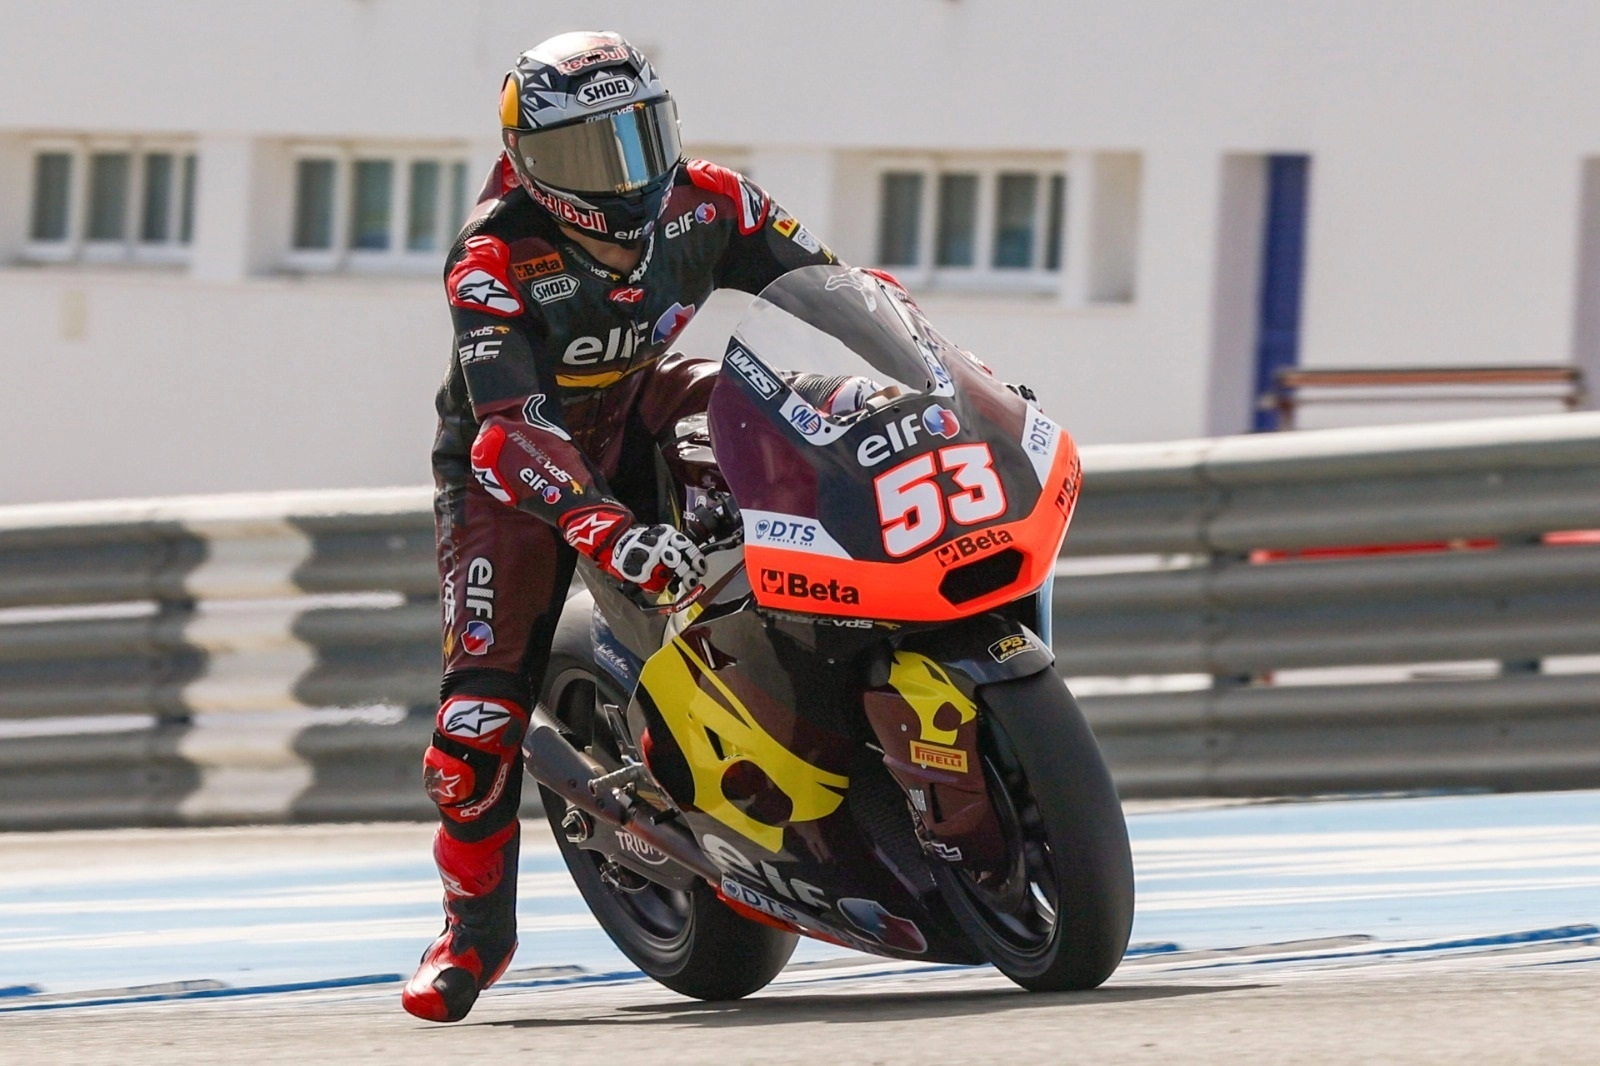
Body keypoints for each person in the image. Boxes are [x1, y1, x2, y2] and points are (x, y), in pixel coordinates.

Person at [403, 30, 840, 1023]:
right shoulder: (492, 260)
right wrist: (607, 530)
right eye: (588, 152)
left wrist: (943, 376)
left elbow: (841, 292)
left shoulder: (713, 201)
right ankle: (472, 930)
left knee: (788, 416)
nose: (624, 175)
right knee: (470, 735)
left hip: (643, 404)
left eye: (637, 138)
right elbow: (510, 430)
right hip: (512, 471)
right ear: (529, 163)